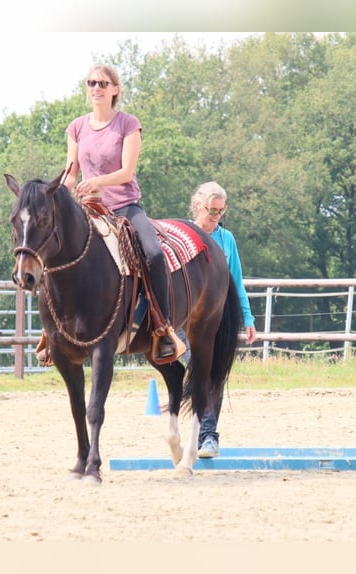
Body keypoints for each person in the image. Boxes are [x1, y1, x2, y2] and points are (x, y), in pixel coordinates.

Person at [35, 64, 185, 366]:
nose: (96, 88)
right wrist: (57, 197)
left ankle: (162, 327)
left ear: (115, 89)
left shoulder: (128, 124)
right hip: (89, 209)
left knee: (154, 254)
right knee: (54, 252)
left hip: (125, 208)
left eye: (103, 83)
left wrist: (98, 182)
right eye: (92, 82)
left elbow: (127, 172)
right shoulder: (77, 127)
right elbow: (71, 173)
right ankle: (53, 331)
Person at [189, 181, 257, 458]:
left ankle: (207, 436)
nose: (215, 216)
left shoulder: (226, 239)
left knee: (211, 373)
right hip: (185, 316)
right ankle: (196, 431)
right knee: (192, 372)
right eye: (211, 210)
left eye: (220, 211)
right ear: (197, 206)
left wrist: (248, 317)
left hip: (215, 317)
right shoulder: (183, 234)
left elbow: (237, 281)